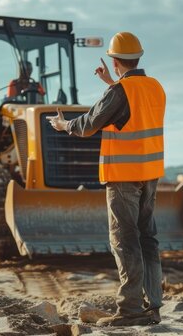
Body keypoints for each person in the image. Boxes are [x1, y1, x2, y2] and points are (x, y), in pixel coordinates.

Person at [47, 32, 165, 326]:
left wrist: (63, 125)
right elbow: (131, 107)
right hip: (149, 175)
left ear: (114, 62)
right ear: (138, 57)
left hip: (124, 177)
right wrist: (111, 84)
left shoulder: (119, 92)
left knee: (125, 241)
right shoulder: (155, 87)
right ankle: (153, 305)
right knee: (147, 239)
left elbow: (89, 125)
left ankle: (130, 310)